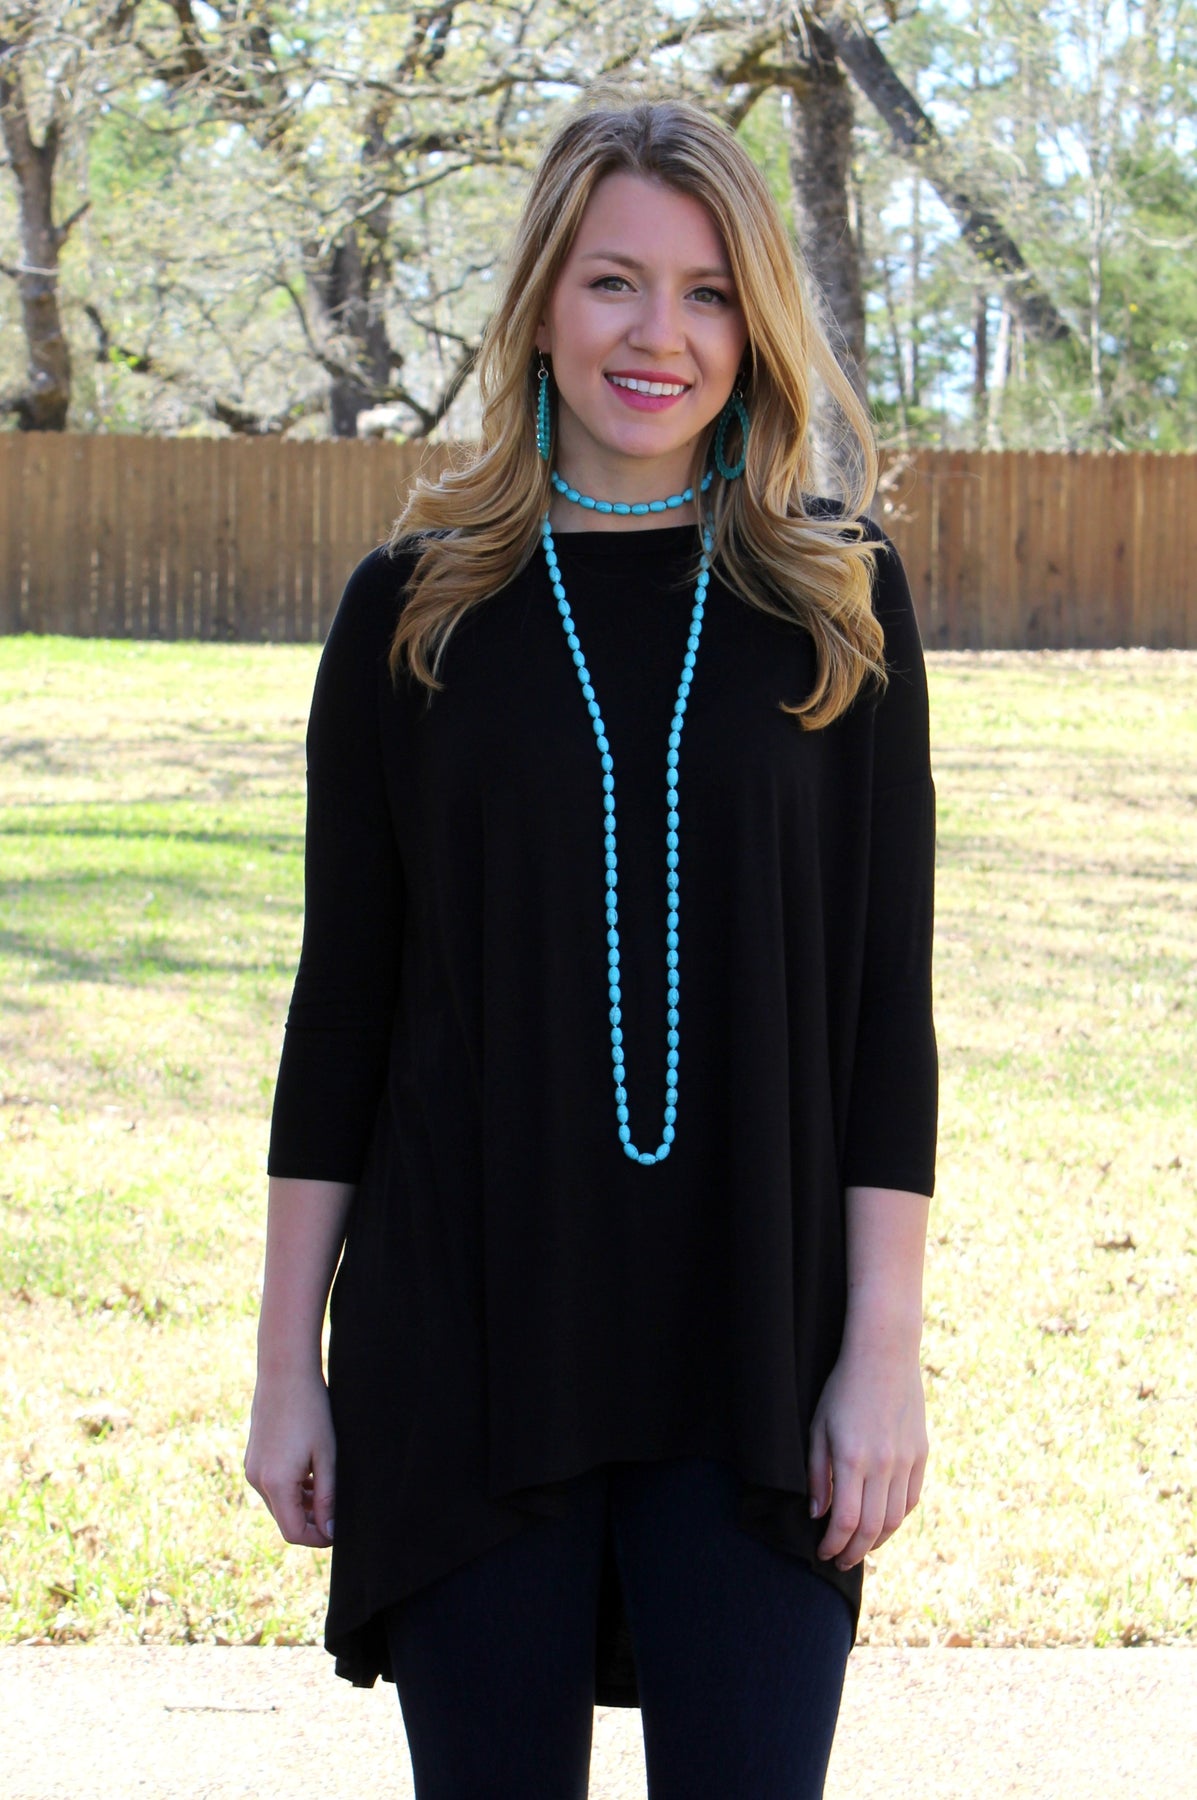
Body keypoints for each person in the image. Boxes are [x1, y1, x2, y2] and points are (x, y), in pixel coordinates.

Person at [245, 88, 937, 1800]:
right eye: (614, 281)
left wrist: (881, 1352)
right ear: (543, 301)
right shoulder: (414, 607)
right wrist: (285, 1371)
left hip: (755, 1342)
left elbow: (883, 1014)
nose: (658, 336)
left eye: (707, 293)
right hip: (464, 1346)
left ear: (753, 326)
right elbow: (343, 1015)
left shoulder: (837, 601)